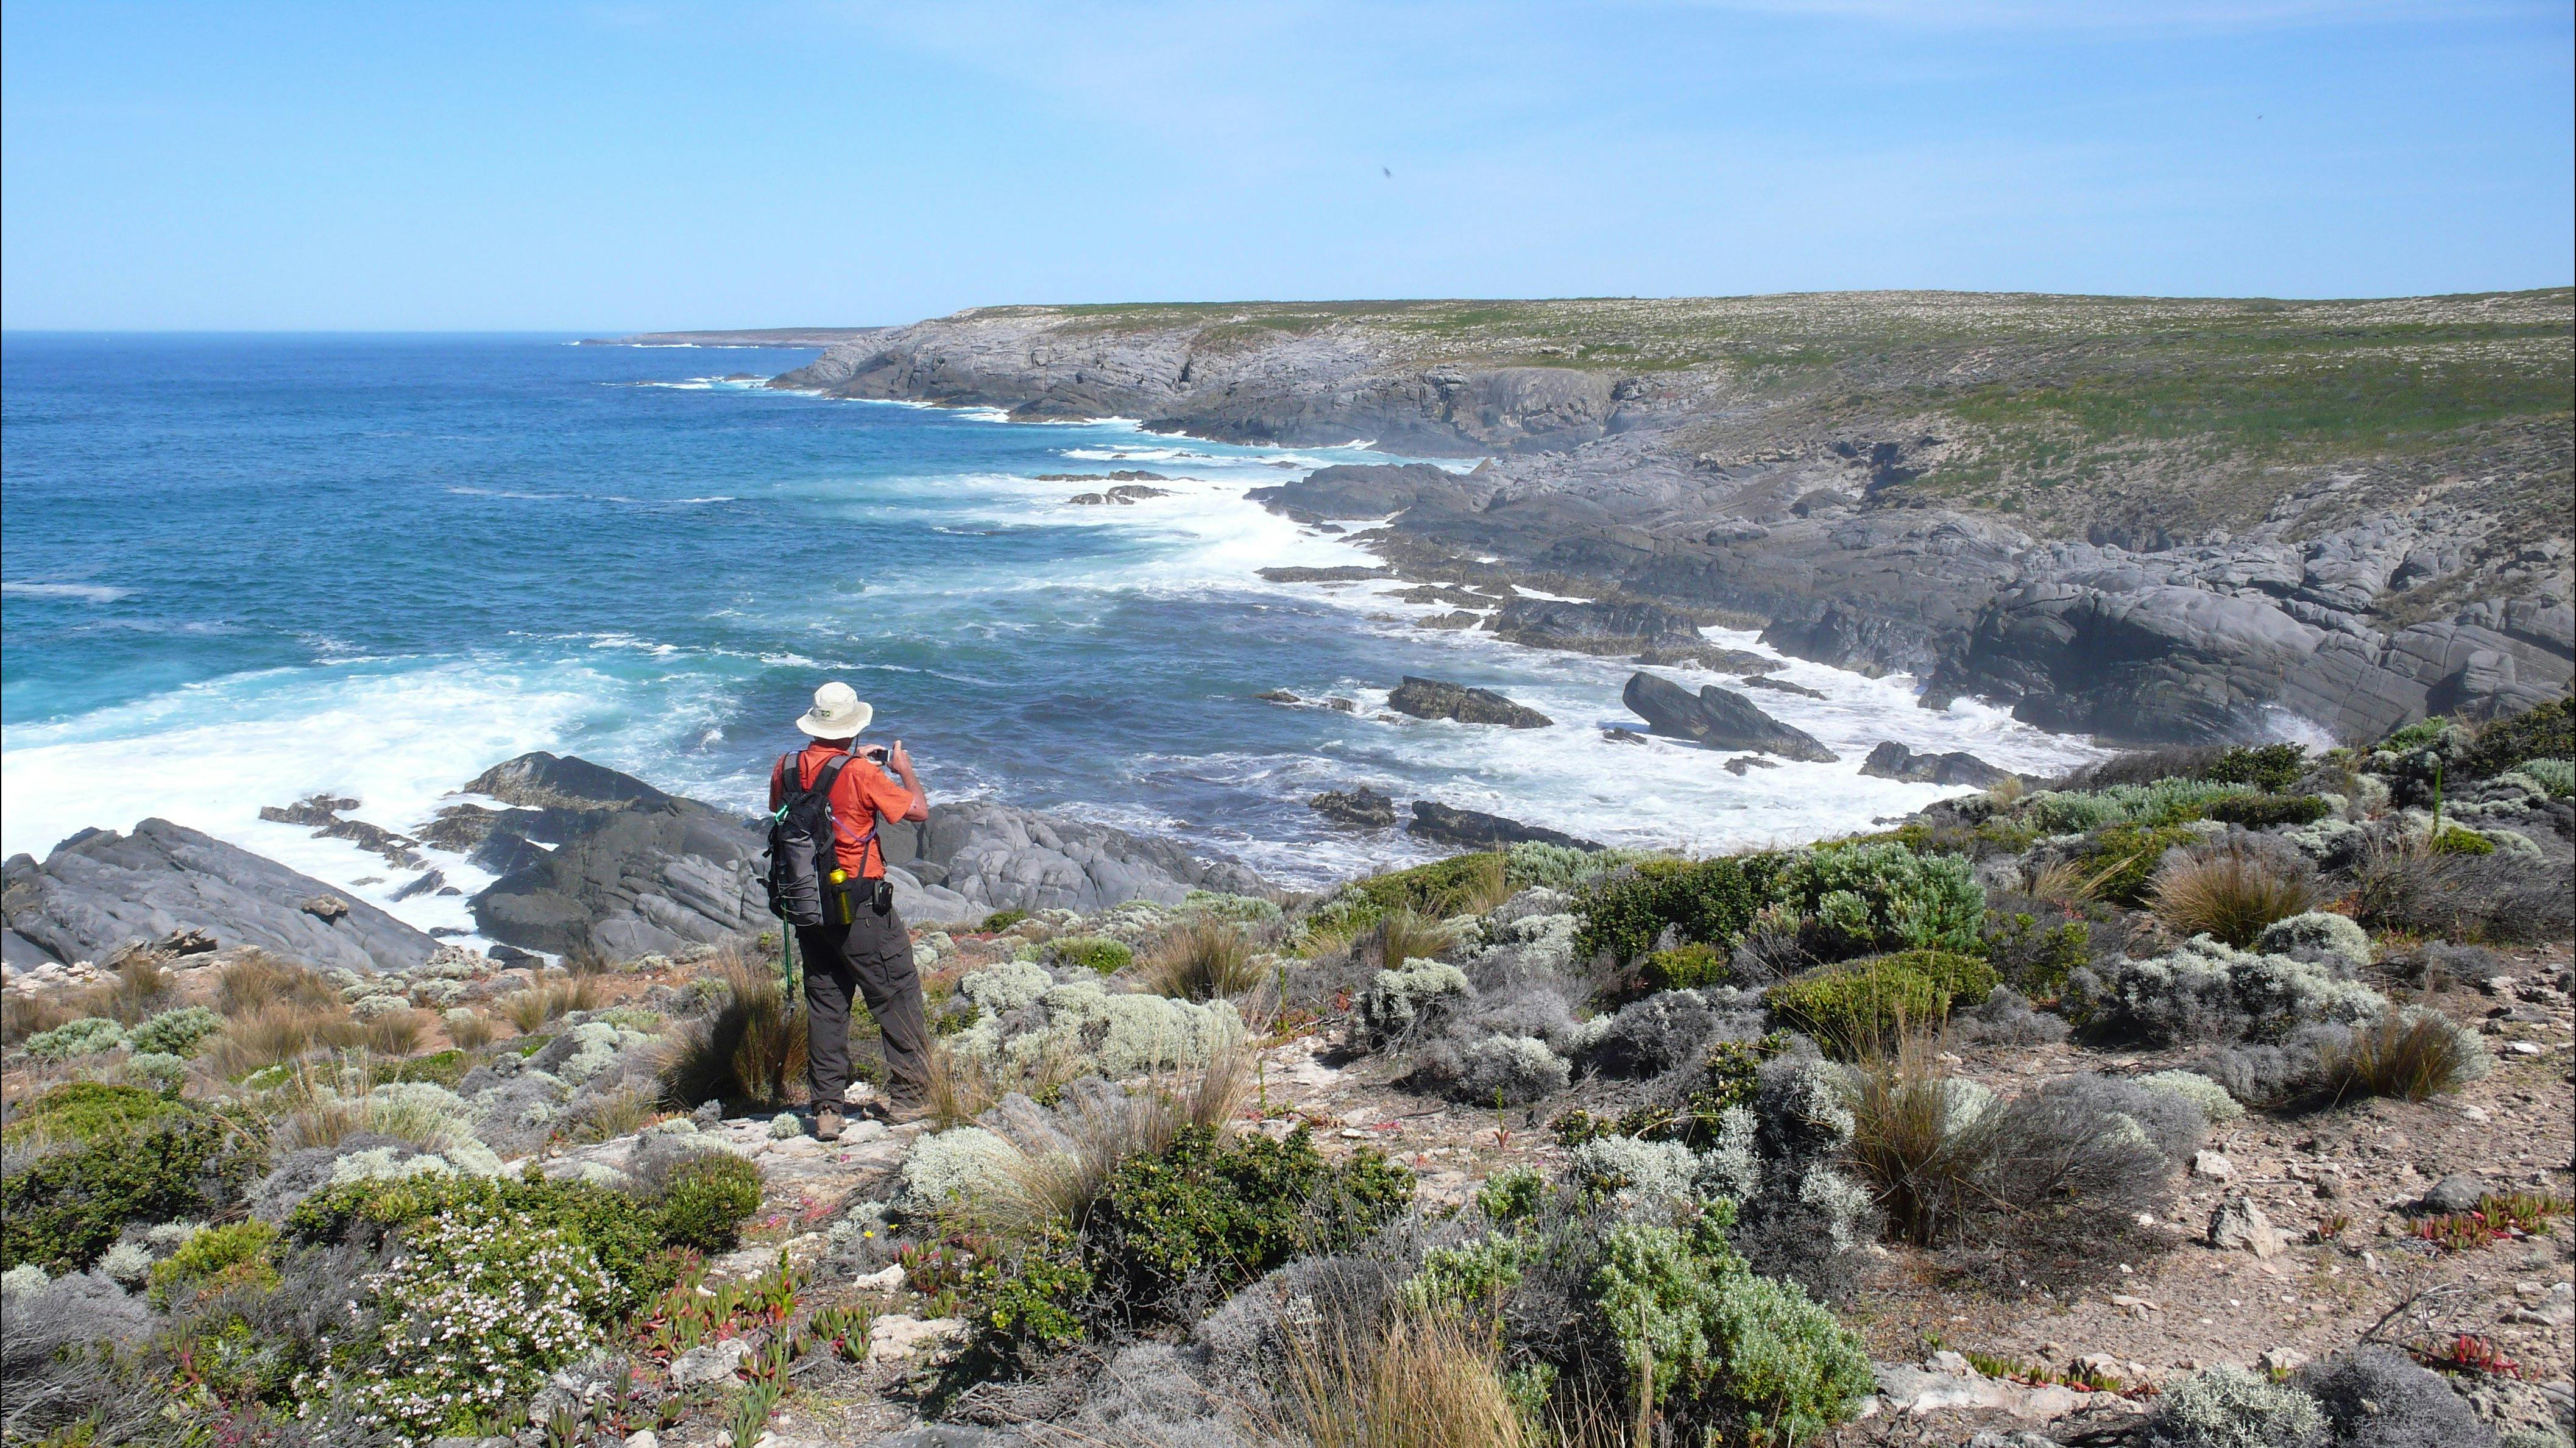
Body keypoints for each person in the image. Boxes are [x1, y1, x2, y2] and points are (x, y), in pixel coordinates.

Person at [770, 681, 932, 1139]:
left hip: (806, 904)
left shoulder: (784, 767)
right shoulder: (862, 773)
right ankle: (911, 1096)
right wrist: (902, 769)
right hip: (860, 903)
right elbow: (917, 810)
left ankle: (826, 1110)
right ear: (853, 729)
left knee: (826, 1003)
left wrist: (849, 763)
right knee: (896, 992)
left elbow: (788, 808)